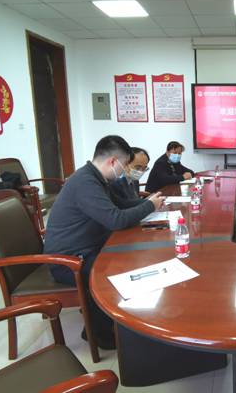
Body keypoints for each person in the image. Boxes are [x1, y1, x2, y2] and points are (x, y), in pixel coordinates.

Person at [44, 135, 164, 349]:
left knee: (131, 258)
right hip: (68, 260)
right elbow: (116, 219)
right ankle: (98, 334)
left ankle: (118, 321)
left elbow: (121, 204)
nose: (125, 170)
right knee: (116, 273)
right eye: (125, 165)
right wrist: (149, 206)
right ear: (112, 161)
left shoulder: (96, 178)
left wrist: (149, 202)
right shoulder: (85, 182)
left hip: (88, 248)